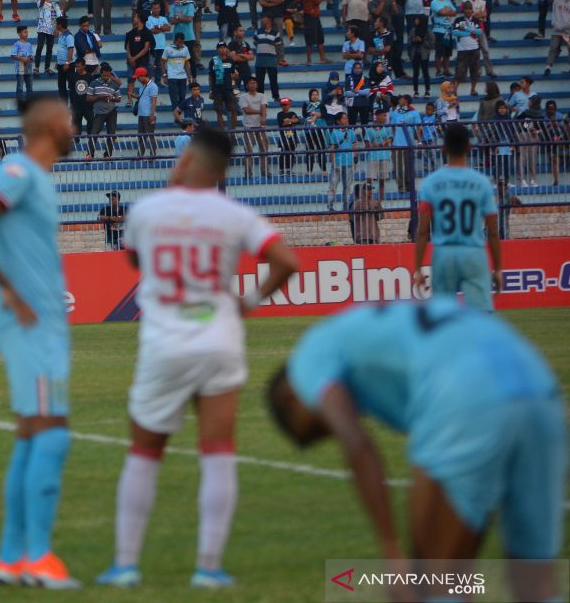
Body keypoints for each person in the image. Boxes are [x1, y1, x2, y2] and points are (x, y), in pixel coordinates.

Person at [96, 127, 297, 590]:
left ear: (185, 159)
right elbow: (288, 261)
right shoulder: (236, 214)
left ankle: (125, 565)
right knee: (218, 452)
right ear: (223, 171)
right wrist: (248, 301)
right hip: (218, 337)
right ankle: (208, 567)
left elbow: (134, 260)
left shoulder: (147, 210)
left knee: (145, 452)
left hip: (165, 340)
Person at [268, 299, 564, 603]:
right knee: (536, 583)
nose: (327, 430)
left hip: (465, 395)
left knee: (433, 582)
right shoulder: (358, 330)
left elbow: (357, 444)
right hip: (540, 390)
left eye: (317, 429)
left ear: (291, 397)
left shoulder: (308, 357)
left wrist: (391, 549)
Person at [0, 96, 79, 589]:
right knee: (52, 430)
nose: (74, 128)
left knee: (32, 432)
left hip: (41, 323)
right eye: (69, 120)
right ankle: (39, 557)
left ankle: (11, 558)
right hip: (33, 324)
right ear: (51, 124)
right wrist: (6, 286)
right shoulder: (20, 172)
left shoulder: (36, 179)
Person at [413, 123, 502, 311]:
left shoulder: (430, 183)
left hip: (444, 253)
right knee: (480, 315)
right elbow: (493, 231)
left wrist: (418, 268)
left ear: (443, 148)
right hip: (473, 252)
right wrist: (498, 268)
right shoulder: (482, 183)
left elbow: (422, 231)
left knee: (444, 317)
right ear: (469, 148)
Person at [132, 67, 158, 158]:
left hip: (148, 115)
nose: (137, 79)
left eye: (138, 77)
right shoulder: (142, 85)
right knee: (141, 136)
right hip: (142, 114)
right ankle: (140, 155)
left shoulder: (153, 86)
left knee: (150, 136)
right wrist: (135, 97)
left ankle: (152, 155)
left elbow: (154, 101)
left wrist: (152, 115)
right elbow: (143, 98)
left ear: (143, 76)